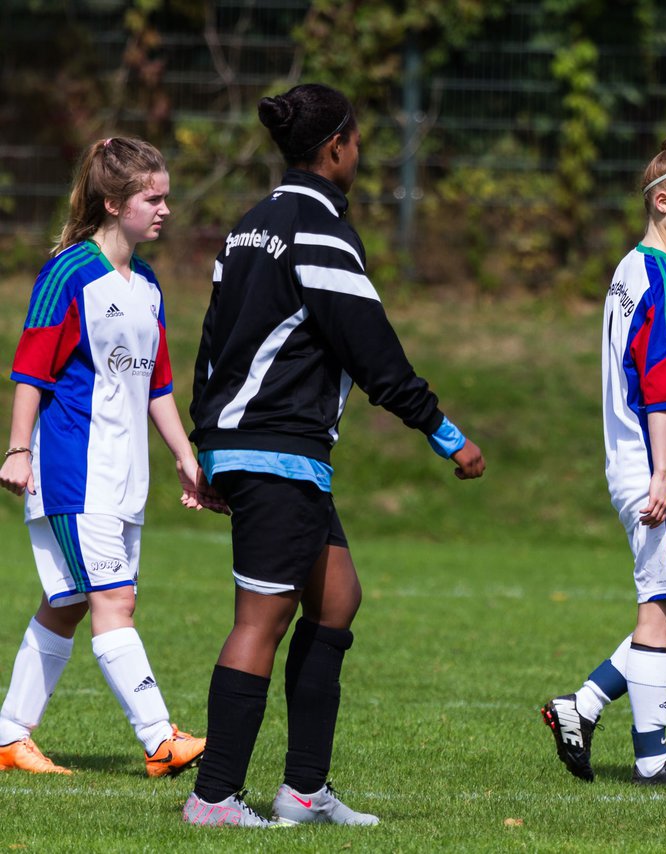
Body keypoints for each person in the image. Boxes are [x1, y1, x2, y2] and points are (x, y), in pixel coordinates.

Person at [182, 83, 486, 828]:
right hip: (276, 448)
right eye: (359, 141)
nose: (363, 153)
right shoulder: (319, 230)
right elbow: (373, 351)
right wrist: (446, 434)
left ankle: (304, 791)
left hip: (264, 448)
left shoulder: (250, 226)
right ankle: (214, 797)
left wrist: (208, 441)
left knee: (337, 598)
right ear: (336, 148)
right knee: (263, 618)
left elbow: (212, 340)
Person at [0, 137, 210, 778]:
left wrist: (185, 456)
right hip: (72, 470)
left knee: (65, 600)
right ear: (115, 203)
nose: (165, 209)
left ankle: (8, 737)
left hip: (127, 476)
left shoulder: (146, 284)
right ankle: (158, 739)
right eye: (154, 198)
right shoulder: (67, 272)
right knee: (114, 602)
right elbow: (32, 370)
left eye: (167, 196)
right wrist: (17, 449)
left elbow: (159, 384)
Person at [540, 137, 666, 790]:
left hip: (641, 460)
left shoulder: (631, 268)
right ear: (663, 199)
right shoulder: (665, 281)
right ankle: (651, 760)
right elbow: (663, 384)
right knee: (663, 614)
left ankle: (583, 705)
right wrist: (659, 474)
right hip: (660, 465)